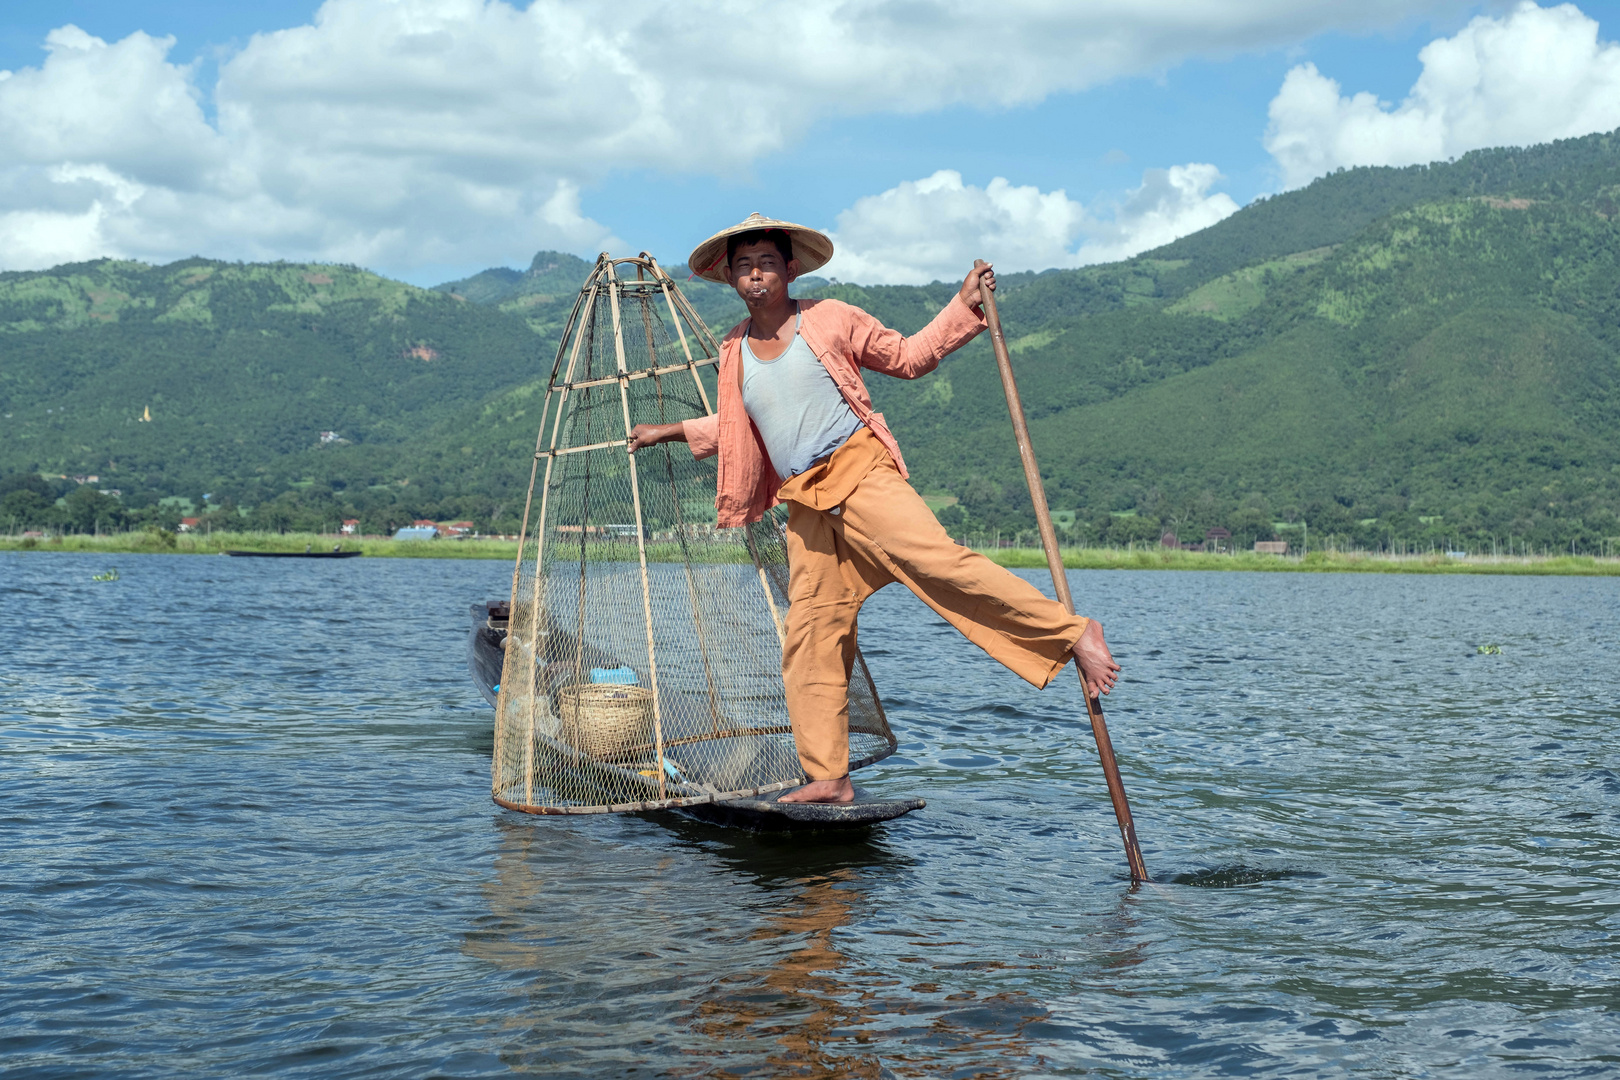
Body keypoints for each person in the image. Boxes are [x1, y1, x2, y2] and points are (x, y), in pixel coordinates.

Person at [630, 213, 1119, 803]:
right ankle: (830, 776)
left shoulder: (830, 318)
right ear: (731, 278)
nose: (755, 273)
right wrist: (669, 432)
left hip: (860, 472)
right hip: (806, 504)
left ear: (789, 269)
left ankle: (1073, 633)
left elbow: (909, 356)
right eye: (743, 265)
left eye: (765, 262)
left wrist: (964, 306)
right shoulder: (732, 348)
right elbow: (742, 424)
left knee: (941, 565)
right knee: (809, 635)